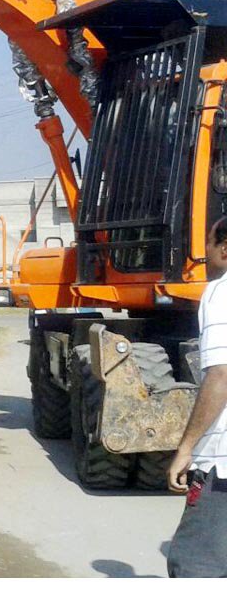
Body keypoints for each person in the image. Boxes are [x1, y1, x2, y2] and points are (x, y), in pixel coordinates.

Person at [167, 216, 227, 577]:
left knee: (194, 564)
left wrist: (186, 448)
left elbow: (220, 375)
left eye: (208, 242)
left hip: (222, 466)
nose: (204, 252)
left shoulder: (221, 293)